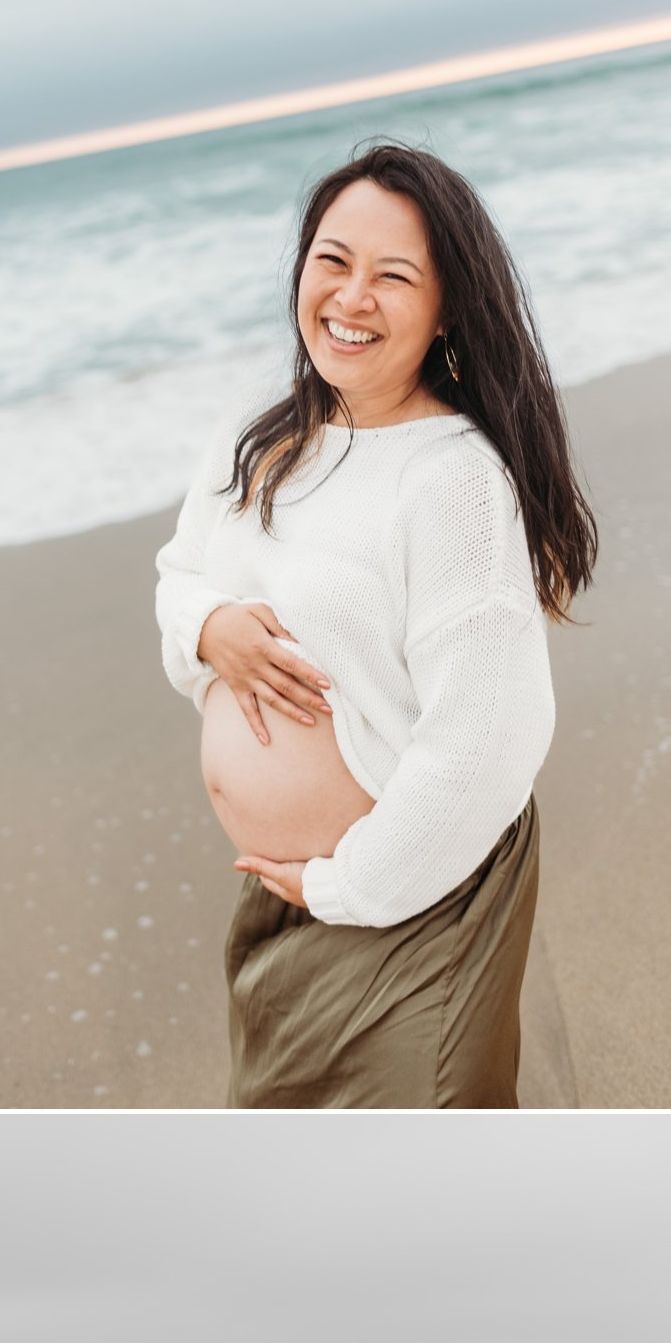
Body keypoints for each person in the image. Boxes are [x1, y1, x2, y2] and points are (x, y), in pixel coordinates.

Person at [156, 141, 598, 1106]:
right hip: (289, 907)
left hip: (412, 902)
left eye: (393, 277)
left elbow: (487, 741)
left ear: (446, 311)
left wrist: (349, 887)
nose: (351, 298)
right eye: (332, 261)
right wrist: (209, 628)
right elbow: (179, 572)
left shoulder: (452, 482)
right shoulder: (259, 438)